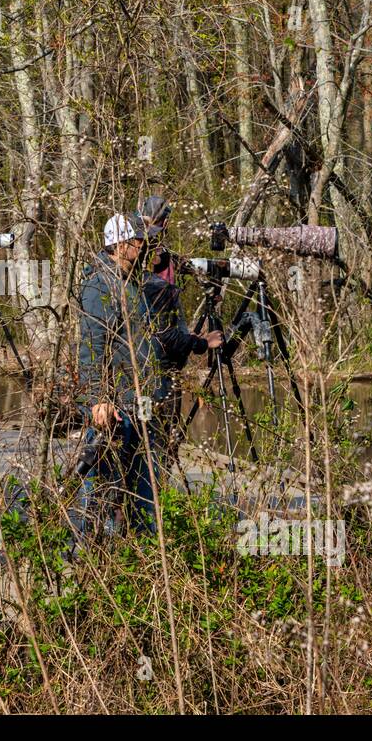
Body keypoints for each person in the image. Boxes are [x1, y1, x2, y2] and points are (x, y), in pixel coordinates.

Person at [76, 213, 167, 536]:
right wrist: (97, 400)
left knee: (144, 492)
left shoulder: (134, 282)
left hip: (141, 404)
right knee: (103, 494)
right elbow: (91, 346)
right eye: (139, 240)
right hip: (115, 408)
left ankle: (142, 561)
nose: (145, 246)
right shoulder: (99, 284)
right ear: (120, 244)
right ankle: (95, 560)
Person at [138, 195, 222, 452]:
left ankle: (155, 473)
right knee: (155, 437)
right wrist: (200, 343)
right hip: (156, 365)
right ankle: (154, 479)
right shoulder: (146, 279)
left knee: (154, 433)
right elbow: (164, 334)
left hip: (158, 364)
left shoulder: (165, 258)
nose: (162, 230)